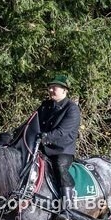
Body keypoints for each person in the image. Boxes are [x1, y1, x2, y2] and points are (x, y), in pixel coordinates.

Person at [37, 74, 82, 211]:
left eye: (54, 88)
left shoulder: (72, 109)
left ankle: (67, 207)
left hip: (62, 150)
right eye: (50, 87)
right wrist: (13, 135)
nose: (50, 90)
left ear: (64, 90)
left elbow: (62, 132)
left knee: (60, 166)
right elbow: (31, 123)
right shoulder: (45, 106)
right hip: (42, 148)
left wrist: (44, 137)